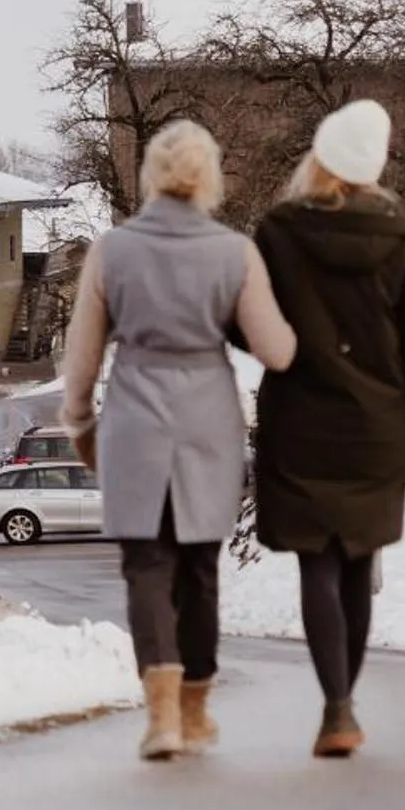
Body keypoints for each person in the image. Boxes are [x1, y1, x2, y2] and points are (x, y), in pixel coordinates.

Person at [61, 120, 296, 761]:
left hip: (134, 420)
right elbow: (276, 350)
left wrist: (81, 424)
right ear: (210, 176)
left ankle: (159, 716)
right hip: (207, 423)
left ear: (151, 177)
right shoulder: (234, 252)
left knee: (146, 567)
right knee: (198, 568)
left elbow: (81, 361)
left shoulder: (112, 251)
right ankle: (194, 711)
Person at [251, 99, 405, 760]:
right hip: (376, 425)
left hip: (300, 420)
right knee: (359, 560)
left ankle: (336, 705)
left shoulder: (278, 233)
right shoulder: (403, 238)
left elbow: (256, 323)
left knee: (319, 562)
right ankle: (343, 708)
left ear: (320, 157)